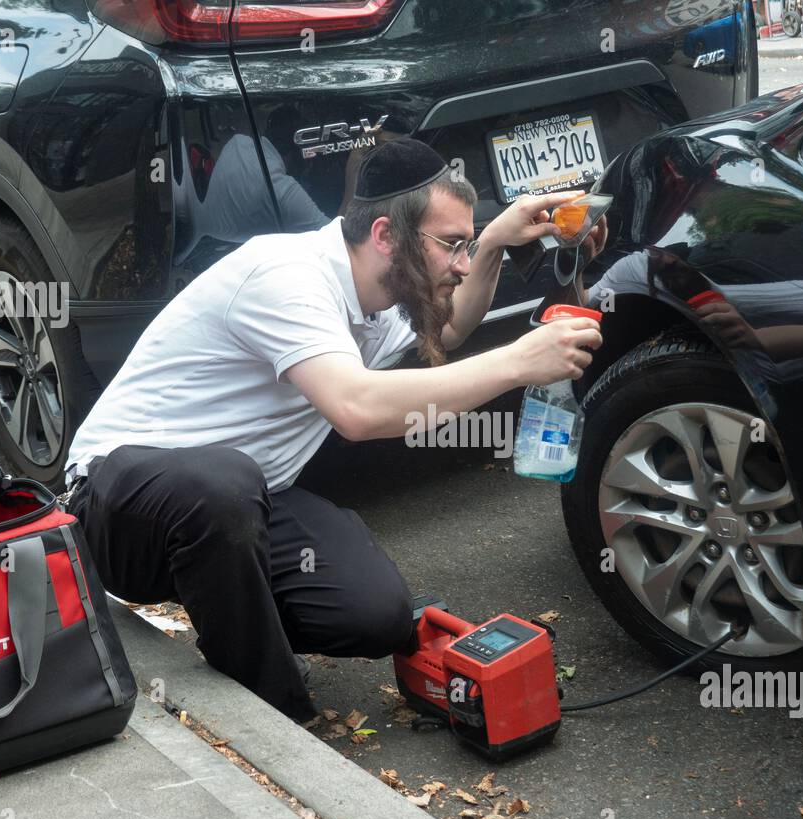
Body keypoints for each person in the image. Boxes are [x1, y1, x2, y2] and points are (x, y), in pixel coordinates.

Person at [63, 139, 605, 721]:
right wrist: (520, 361)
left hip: (237, 506)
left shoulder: (375, 291)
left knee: (376, 614)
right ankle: (270, 708)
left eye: (467, 245)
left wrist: (496, 241)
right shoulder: (286, 278)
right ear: (385, 236)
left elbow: (445, 334)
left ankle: (225, 606)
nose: (463, 263)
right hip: (115, 506)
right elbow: (357, 408)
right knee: (224, 484)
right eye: (453, 245)